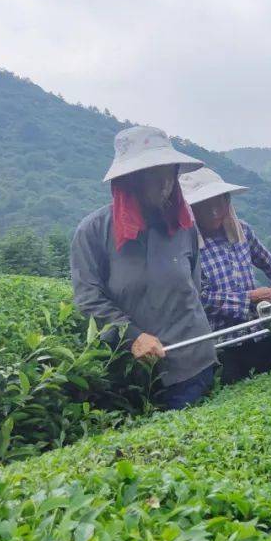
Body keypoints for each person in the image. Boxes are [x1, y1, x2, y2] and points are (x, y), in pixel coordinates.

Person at [71, 126, 216, 410]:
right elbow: (88, 300)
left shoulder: (183, 227)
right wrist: (133, 336)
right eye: (154, 173)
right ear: (130, 180)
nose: (165, 184)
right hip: (132, 379)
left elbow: (194, 288)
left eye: (170, 173)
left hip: (194, 366)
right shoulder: (93, 231)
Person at [179, 167, 271, 384]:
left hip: (259, 335)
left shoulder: (242, 232)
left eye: (219, 202)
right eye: (205, 205)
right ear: (191, 209)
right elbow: (198, 298)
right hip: (221, 346)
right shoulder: (186, 245)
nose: (214, 211)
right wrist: (249, 298)